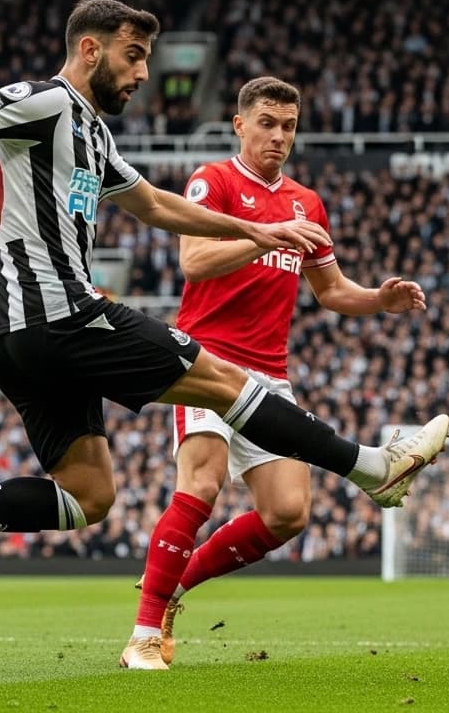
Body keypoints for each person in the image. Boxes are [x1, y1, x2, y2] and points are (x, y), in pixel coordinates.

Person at [0, 0, 449, 593]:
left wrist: (259, 227)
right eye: (133, 55)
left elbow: (157, 206)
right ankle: (372, 467)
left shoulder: (94, 135)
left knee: (89, 496)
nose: (142, 74)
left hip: (10, 338)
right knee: (222, 378)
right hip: (59, 314)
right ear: (90, 49)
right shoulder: (48, 103)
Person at [123, 77, 428, 669]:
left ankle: (172, 590)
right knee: (202, 483)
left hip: (269, 375)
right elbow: (195, 260)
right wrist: (261, 235)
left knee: (288, 513)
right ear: (240, 124)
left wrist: (379, 300)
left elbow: (332, 290)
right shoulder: (214, 182)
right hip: (204, 361)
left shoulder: (306, 203)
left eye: (288, 126)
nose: (279, 136)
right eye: (267, 122)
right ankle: (142, 636)